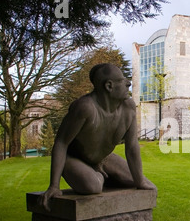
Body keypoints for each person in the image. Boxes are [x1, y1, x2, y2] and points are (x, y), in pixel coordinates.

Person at [39, 63, 156, 211]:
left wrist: (140, 181)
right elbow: (61, 143)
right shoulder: (85, 107)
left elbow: (132, 146)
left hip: (103, 158)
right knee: (93, 186)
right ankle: (98, 176)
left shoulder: (128, 107)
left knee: (138, 180)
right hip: (74, 158)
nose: (128, 83)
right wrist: (54, 186)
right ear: (109, 86)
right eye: (122, 80)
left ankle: (100, 172)